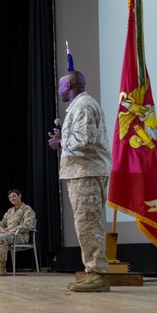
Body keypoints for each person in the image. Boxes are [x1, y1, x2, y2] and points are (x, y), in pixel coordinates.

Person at [57, 68, 111, 292]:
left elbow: (85, 140)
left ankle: (98, 274)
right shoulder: (80, 106)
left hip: (86, 173)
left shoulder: (84, 106)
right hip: (82, 172)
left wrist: (60, 141)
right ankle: (92, 271)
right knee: (85, 224)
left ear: (69, 86)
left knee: (88, 224)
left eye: (61, 86)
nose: (59, 90)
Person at [0, 190, 38, 276]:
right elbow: (0, 224)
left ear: (20, 196)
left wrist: (12, 230)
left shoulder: (27, 209)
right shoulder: (10, 211)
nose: (12, 198)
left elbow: (28, 225)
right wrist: (1, 230)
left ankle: (2, 268)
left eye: (14, 196)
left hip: (20, 236)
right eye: (10, 197)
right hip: (6, 234)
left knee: (0, 238)